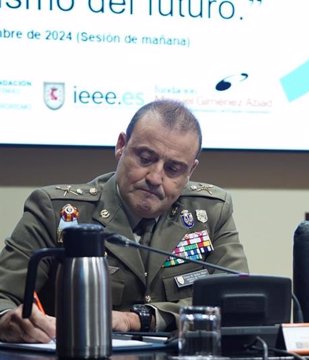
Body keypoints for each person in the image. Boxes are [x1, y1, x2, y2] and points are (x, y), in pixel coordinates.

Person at [0, 99, 249, 343]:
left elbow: (238, 300)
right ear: (121, 146)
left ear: (190, 171)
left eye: (173, 168)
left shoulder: (211, 211)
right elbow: (2, 297)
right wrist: (6, 321)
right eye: (145, 158)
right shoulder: (57, 212)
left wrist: (138, 319)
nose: (155, 177)